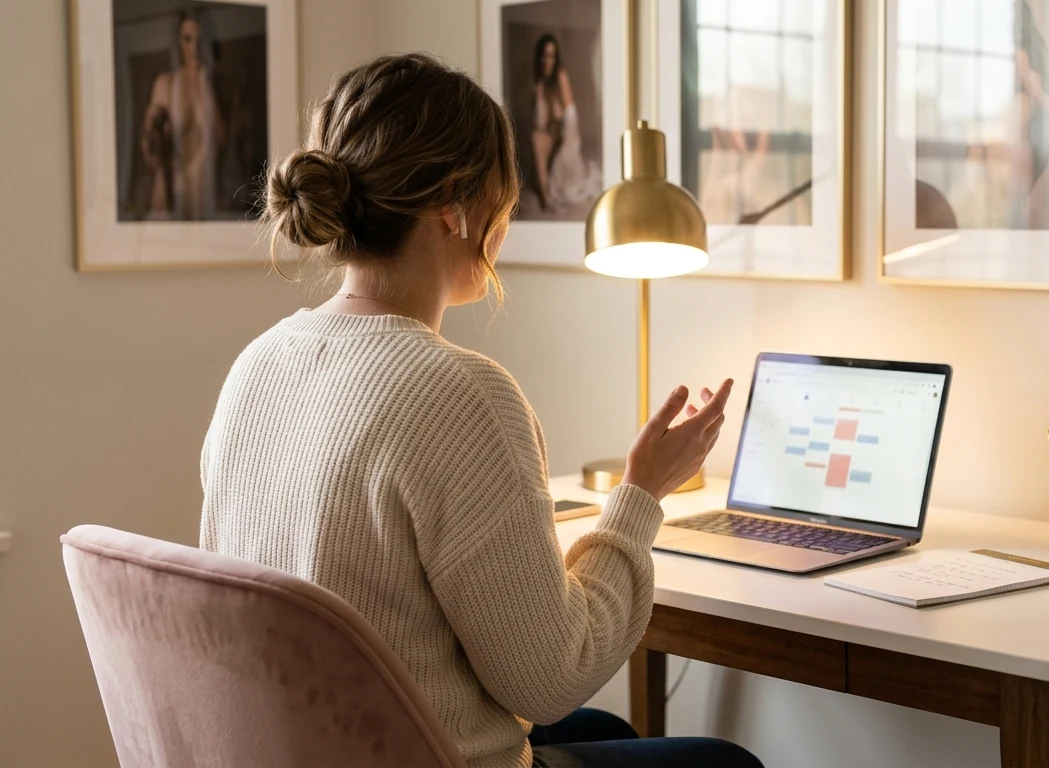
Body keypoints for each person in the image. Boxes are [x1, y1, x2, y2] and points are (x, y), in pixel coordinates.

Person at [199, 53, 760, 768]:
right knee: (722, 762)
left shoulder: (258, 364)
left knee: (607, 736)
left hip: (309, 744)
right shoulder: (460, 395)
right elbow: (552, 677)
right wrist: (640, 493)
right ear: (456, 201)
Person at [140, 10, 224, 220]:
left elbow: (221, 141)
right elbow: (149, 150)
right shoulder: (165, 84)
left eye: (199, 40)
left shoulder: (213, 86)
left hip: (204, 196)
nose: (194, 48)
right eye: (187, 39)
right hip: (172, 195)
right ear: (178, 42)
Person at [530, 33, 601, 213]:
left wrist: (564, 139)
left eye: (552, 55)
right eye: (545, 55)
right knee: (536, 137)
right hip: (551, 133)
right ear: (540, 57)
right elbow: (540, 123)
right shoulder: (540, 84)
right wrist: (539, 94)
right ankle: (546, 196)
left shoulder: (560, 76)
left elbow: (570, 115)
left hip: (565, 134)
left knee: (569, 185)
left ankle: (548, 194)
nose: (548, 60)